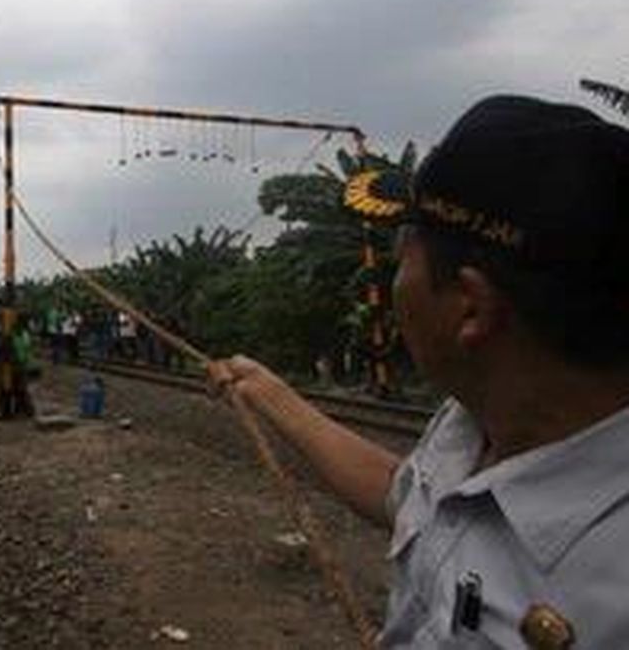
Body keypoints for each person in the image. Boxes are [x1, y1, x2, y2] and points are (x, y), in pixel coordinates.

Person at [206, 95, 629, 648]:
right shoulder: (478, 419)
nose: (393, 283)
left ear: (470, 307)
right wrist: (270, 394)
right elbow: (408, 499)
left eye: (403, 256)